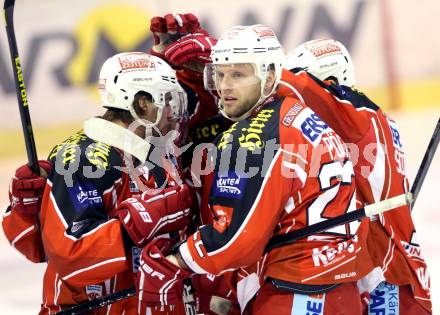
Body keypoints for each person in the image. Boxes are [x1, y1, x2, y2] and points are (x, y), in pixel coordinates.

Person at [134, 24, 377, 315]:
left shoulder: (249, 139)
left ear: (270, 75)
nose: (225, 86)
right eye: (220, 74)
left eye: (238, 74)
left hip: (294, 297)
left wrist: (172, 261)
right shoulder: (299, 113)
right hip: (342, 294)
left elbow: (234, 241)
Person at [2, 52, 195, 315]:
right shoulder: (86, 159)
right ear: (141, 105)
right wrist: (136, 223)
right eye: (168, 101)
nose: (174, 113)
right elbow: (71, 257)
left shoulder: (153, 151)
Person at [279, 38, 431, 314]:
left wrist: (228, 60)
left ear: (332, 80)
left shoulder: (354, 113)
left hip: (387, 278)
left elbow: (289, 84)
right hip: (383, 269)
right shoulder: (367, 120)